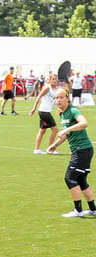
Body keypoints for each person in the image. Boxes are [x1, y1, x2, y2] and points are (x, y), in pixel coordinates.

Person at [47, 88, 96, 218]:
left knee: (70, 178)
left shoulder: (73, 111)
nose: (58, 100)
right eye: (56, 98)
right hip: (83, 150)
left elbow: (84, 123)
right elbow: (67, 134)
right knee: (81, 180)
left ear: (68, 99)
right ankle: (93, 209)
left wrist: (66, 129)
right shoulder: (62, 114)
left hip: (82, 150)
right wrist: (55, 144)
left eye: (61, 97)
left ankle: (78, 211)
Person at [28, 73, 60, 155]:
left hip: (46, 111)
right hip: (44, 111)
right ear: (49, 80)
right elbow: (39, 97)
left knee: (42, 131)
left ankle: (37, 149)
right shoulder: (47, 87)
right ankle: (50, 148)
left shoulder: (54, 89)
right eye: (53, 79)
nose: (55, 80)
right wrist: (34, 108)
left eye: (56, 79)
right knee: (55, 129)